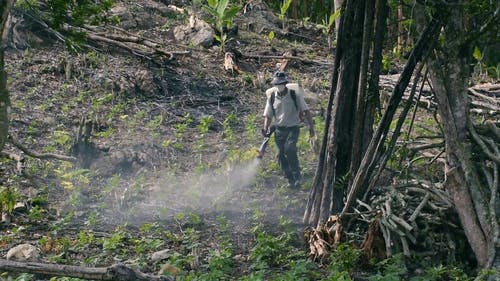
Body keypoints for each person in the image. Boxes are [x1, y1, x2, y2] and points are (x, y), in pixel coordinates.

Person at [262, 71, 315, 188]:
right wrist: (265, 127)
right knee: (280, 154)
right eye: (276, 84)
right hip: (279, 129)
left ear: (285, 83)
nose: (279, 86)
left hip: (293, 128)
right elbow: (268, 115)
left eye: (281, 83)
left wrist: (311, 127)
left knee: (290, 149)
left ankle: (297, 176)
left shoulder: (294, 95)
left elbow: (306, 111)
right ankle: (290, 179)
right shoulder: (272, 97)